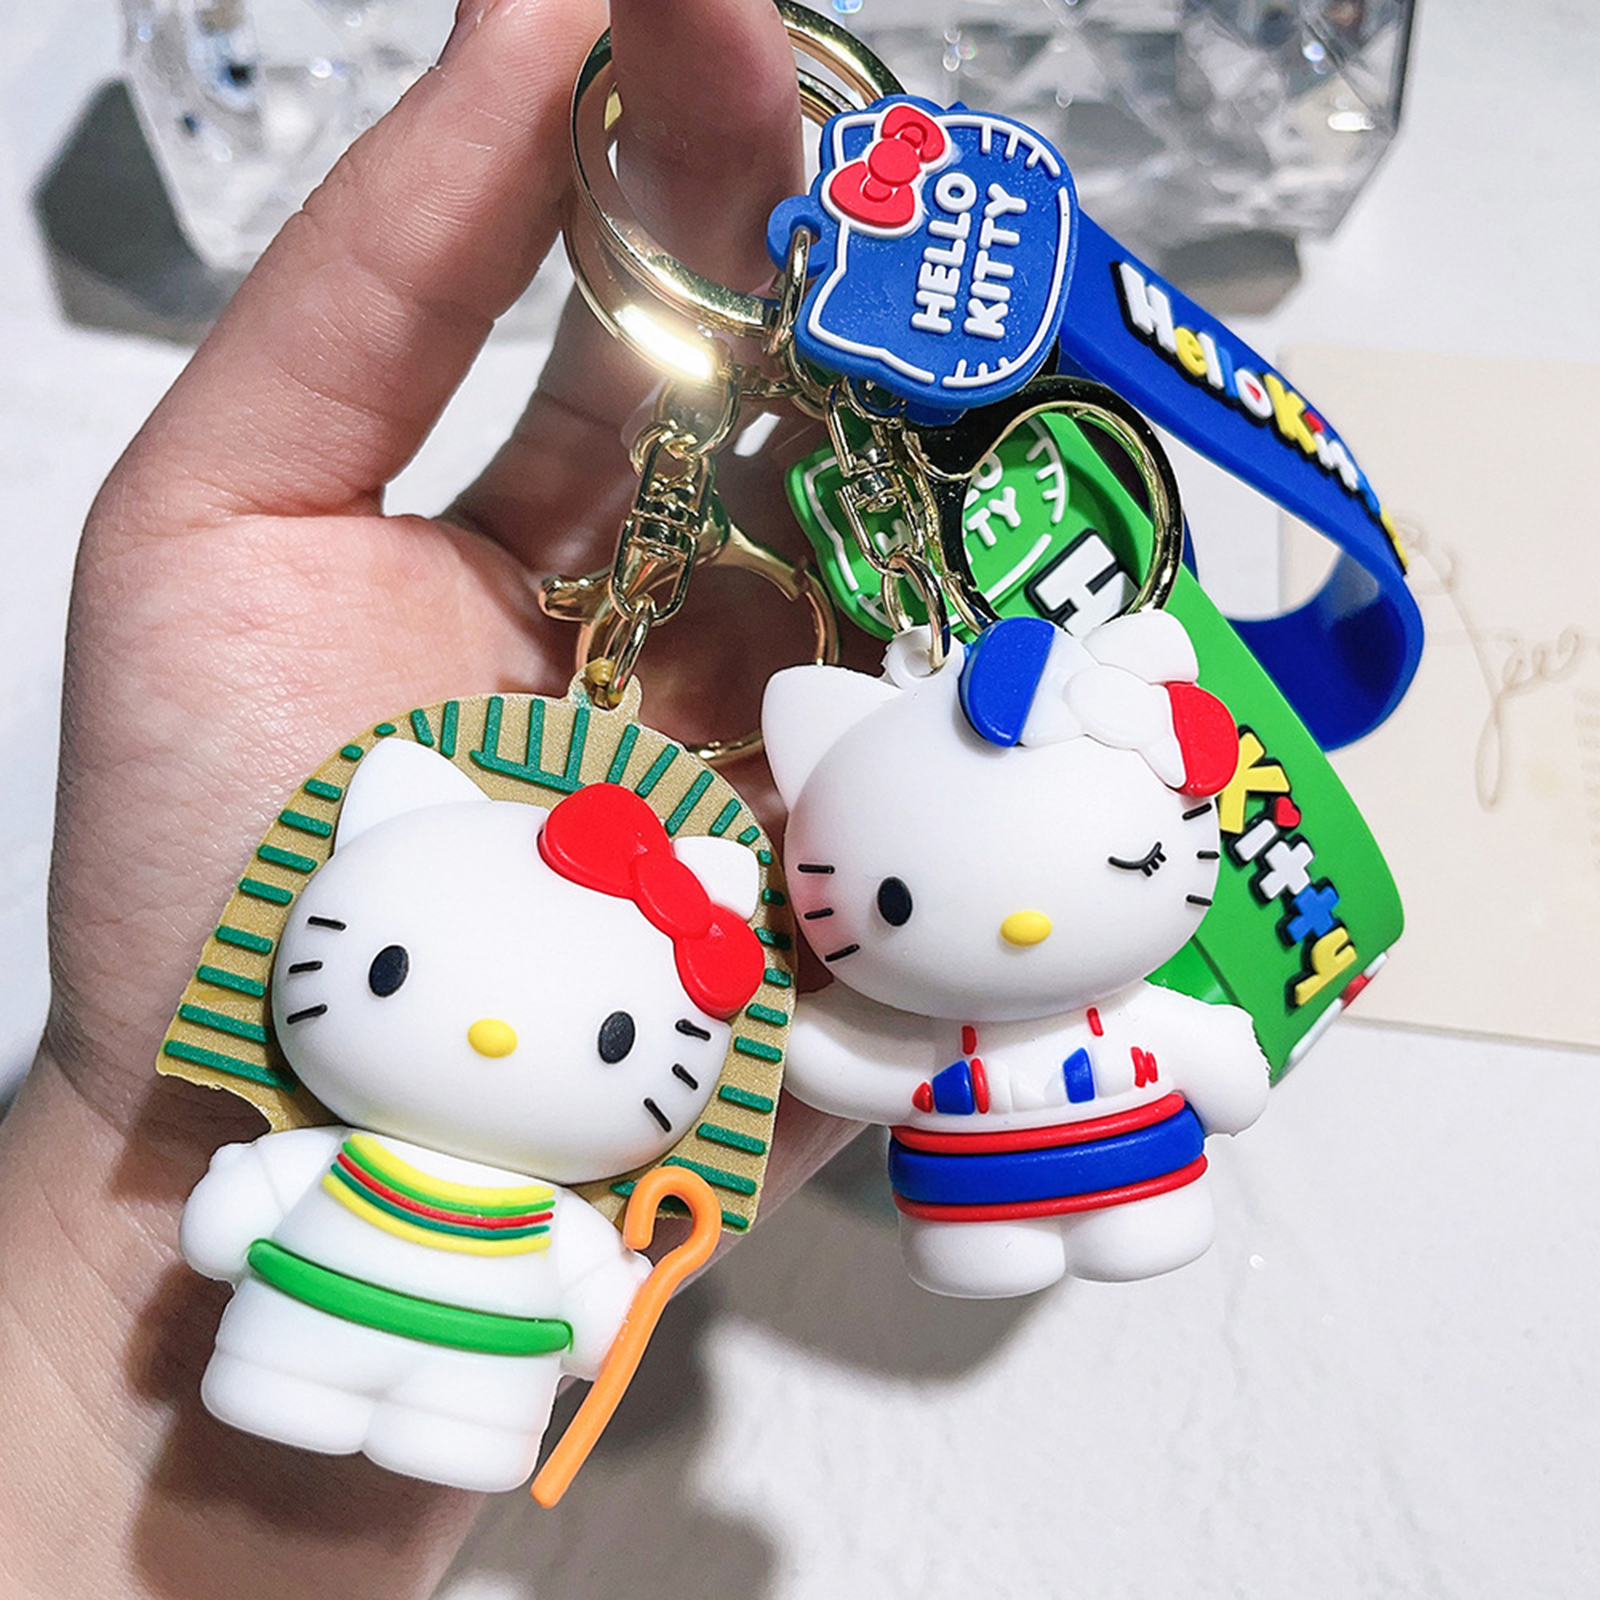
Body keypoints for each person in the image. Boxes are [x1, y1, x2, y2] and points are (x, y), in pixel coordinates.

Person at [0, 3, 861, 1593]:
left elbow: (568, 1295)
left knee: (459, 1411)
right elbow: (242, 1208)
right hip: (296, 1323)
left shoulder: (518, 1189)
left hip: (472, 1366)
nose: (493, 1042)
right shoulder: (357, 1111)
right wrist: (158, 1183)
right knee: (290, 1369)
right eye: (384, 967)